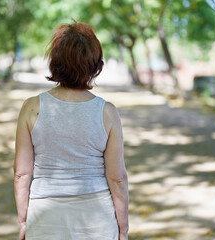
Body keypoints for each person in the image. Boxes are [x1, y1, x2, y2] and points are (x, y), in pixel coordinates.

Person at [14, 21, 129, 240]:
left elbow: (21, 173)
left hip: (45, 219)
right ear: (95, 65)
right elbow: (118, 178)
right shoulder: (107, 113)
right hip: (97, 221)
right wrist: (123, 227)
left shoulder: (31, 108)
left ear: (55, 62)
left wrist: (23, 222)